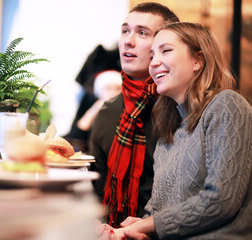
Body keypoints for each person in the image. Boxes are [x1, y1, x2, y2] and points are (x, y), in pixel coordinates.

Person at [105, 22, 252, 240]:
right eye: (152, 55)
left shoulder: (227, 105)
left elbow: (220, 201)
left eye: (166, 51)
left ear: (197, 60)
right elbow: (160, 209)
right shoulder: (168, 128)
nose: (154, 63)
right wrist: (128, 229)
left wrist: (149, 224)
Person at [89, 2, 179, 228]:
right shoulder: (108, 112)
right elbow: (98, 191)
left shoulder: (178, 109)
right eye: (125, 31)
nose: (128, 41)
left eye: (142, 33)